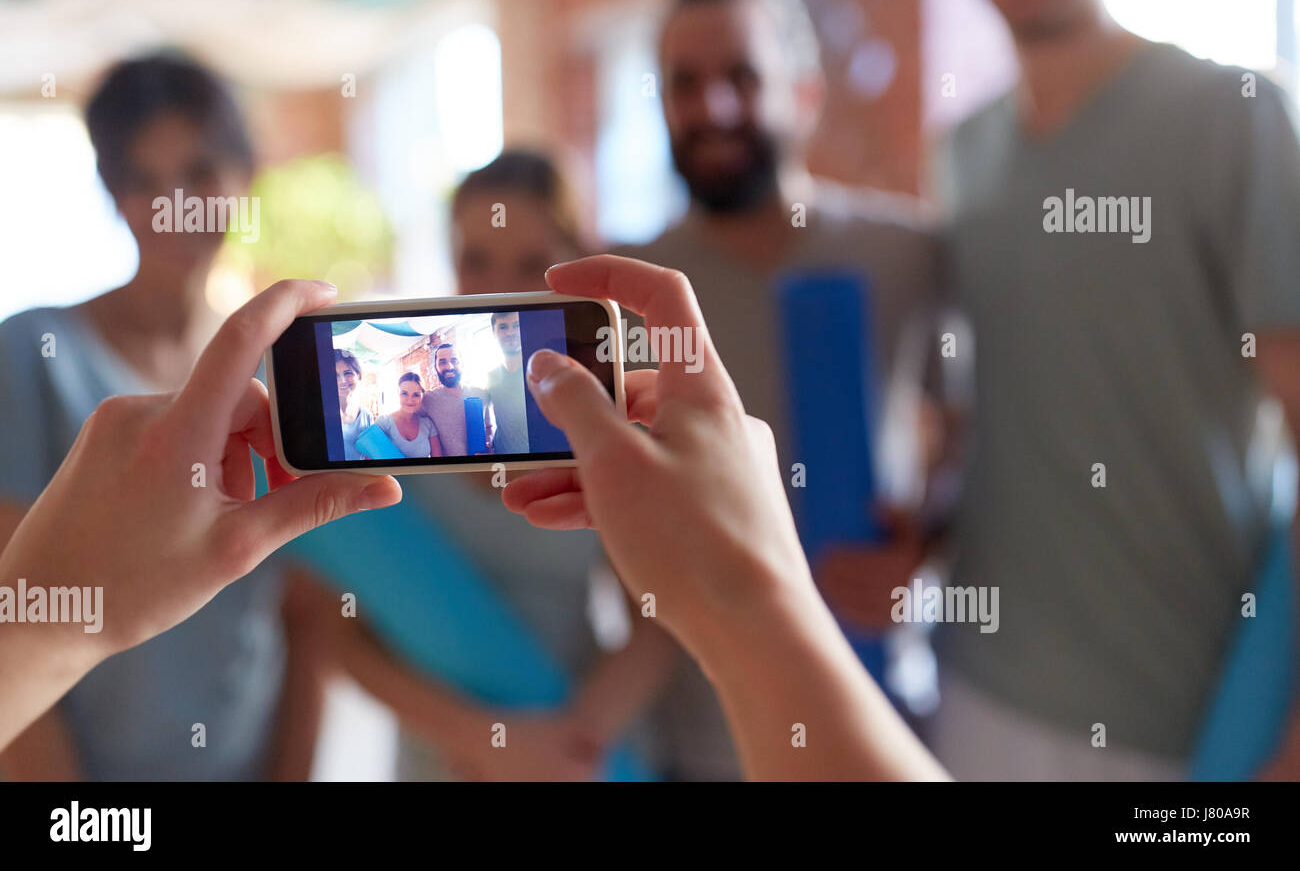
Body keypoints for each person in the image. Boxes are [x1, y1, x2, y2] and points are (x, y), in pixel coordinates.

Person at [0, 265, 947, 782]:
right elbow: (336, 635)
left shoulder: (609, 463)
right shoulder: (412, 449)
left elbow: (645, 621)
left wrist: (48, 620)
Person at [925, 0, 1300, 780]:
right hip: (974, 693)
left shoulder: (1235, 117)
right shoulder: (961, 152)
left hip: (1178, 726)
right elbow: (975, 417)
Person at [620, 0, 953, 779]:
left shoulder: (905, 252)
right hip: (694, 737)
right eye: (684, 83)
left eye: (742, 76)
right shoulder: (616, 285)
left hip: (876, 711)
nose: (713, 108)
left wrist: (928, 547)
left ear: (803, 93)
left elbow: (975, 435)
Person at [284, 151, 679, 781]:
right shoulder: (397, 411)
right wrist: (486, 745)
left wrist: (567, 746)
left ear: (575, 263)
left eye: (531, 263)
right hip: (439, 757)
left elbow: (658, 620)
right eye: (475, 258)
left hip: (585, 752)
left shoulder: (605, 421)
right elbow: (338, 629)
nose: (498, 284)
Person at [0, 52, 322, 781]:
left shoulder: (285, 372)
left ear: (247, 180)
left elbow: (308, 617)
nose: (176, 206)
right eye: (143, 181)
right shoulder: (32, 353)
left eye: (201, 173)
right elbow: (14, 611)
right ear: (111, 194)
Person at [420, 343, 489, 457]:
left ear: (462, 364)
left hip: (480, 467)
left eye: (454, 360)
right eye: (442, 362)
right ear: (435, 368)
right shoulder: (428, 399)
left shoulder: (481, 394)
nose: (449, 366)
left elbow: (489, 427)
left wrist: (489, 445)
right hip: (450, 470)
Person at [483, 312, 529, 455]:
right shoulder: (491, 376)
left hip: (537, 458)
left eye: (516, 325)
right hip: (501, 459)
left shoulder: (538, 369)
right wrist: (488, 437)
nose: (510, 332)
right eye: (503, 327)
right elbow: (485, 413)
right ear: (494, 333)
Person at [375, 373, 442, 459]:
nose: (410, 400)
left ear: (422, 396)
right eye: (404, 393)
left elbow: (437, 463)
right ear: (397, 393)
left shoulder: (427, 424)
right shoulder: (383, 423)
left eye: (416, 395)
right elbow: (371, 461)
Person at [336, 350, 374, 460]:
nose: (342, 380)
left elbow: (369, 456)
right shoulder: (321, 415)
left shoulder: (366, 415)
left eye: (348, 373)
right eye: (335, 375)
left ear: (359, 376)